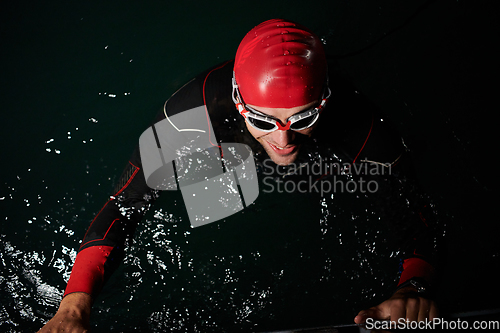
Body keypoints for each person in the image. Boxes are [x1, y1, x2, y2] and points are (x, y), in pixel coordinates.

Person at [39, 19, 441, 332]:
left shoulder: (361, 128)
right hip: (224, 141)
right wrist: (73, 304)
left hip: (320, 152)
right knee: (214, 194)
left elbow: (415, 217)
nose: (283, 138)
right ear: (239, 101)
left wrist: (413, 288)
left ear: (324, 102)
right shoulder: (189, 117)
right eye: (265, 119)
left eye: (302, 117)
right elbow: (124, 205)